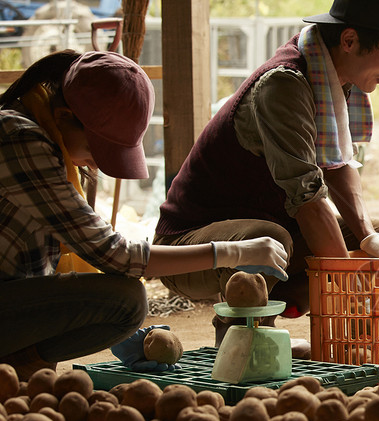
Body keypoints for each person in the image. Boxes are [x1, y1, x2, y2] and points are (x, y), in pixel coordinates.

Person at [153, 0, 379, 352]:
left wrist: (369, 237)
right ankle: (245, 345)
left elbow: (337, 165)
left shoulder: (337, 77)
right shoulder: (284, 85)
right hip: (191, 248)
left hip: (272, 234)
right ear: (349, 40)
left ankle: (334, 339)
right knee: (268, 240)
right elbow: (309, 201)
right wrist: (356, 304)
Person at [0, 50, 289, 381]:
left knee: (117, 301)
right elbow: (116, 255)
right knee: (127, 301)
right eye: (96, 151)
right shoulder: (20, 140)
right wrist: (231, 251)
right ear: (65, 115)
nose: (95, 165)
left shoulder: (49, 135)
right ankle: (16, 361)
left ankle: (19, 360)